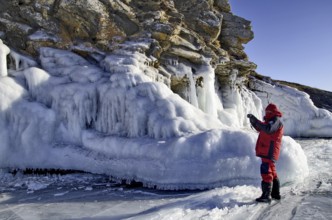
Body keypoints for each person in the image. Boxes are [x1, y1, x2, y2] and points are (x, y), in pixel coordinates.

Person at [247, 103, 284, 203]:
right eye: (266, 111)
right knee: (272, 171)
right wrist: (254, 121)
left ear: (273, 112)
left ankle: (266, 196)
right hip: (267, 150)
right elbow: (261, 128)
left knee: (266, 171)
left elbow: (268, 129)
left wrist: (256, 121)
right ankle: (275, 194)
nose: (267, 113)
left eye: (269, 112)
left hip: (269, 151)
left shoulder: (275, 121)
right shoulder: (270, 121)